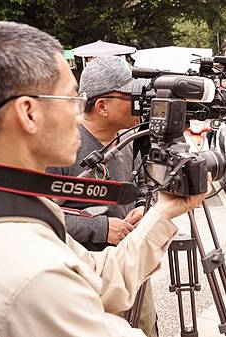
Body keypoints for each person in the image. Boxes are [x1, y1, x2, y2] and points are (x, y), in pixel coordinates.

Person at [0, 21, 205, 337]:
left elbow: (99, 278)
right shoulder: (34, 276)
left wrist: (161, 212)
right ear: (28, 113)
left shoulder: (9, 205)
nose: (78, 113)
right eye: (71, 99)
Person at [47, 55, 158, 336]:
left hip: (130, 267)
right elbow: (42, 217)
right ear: (102, 106)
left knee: (145, 327)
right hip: (85, 279)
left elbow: (145, 186)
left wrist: (144, 207)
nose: (139, 101)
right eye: (131, 95)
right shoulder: (62, 147)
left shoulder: (129, 139)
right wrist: (101, 228)